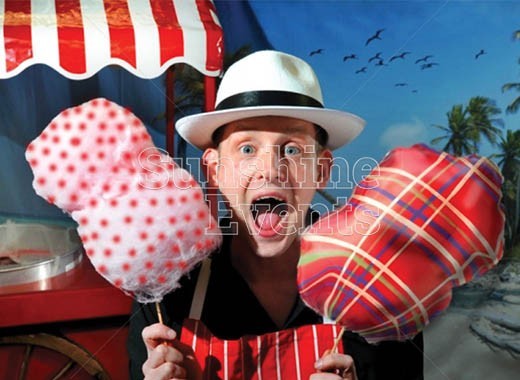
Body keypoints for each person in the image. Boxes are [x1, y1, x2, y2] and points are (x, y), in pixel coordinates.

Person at [127, 50, 424, 380]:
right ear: (214, 169)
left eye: (293, 149)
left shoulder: (381, 292)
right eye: (247, 148)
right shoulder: (169, 290)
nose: (270, 170)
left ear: (322, 169)